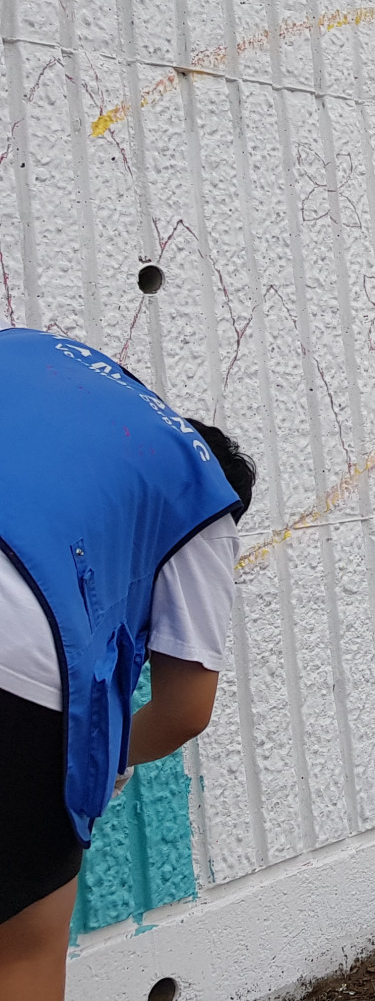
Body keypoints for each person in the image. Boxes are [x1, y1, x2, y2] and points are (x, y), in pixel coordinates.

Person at [0, 331, 256, 1001]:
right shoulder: (196, 486)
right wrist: (108, 757)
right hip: (15, 650)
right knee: (21, 947)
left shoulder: (41, 358)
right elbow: (185, 709)